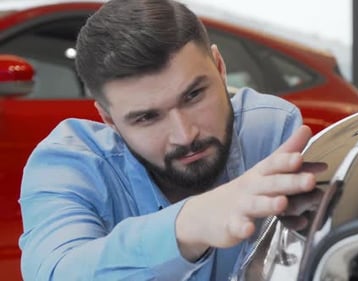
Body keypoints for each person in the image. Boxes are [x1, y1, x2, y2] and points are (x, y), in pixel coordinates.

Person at [18, 0, 324, 280]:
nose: (185, 135)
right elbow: (56, 270)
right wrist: (190, 224)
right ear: (109, 119)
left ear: (219, 68)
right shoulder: (66, 164)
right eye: (147, 118)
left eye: (194, 95)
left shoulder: (272, 128)